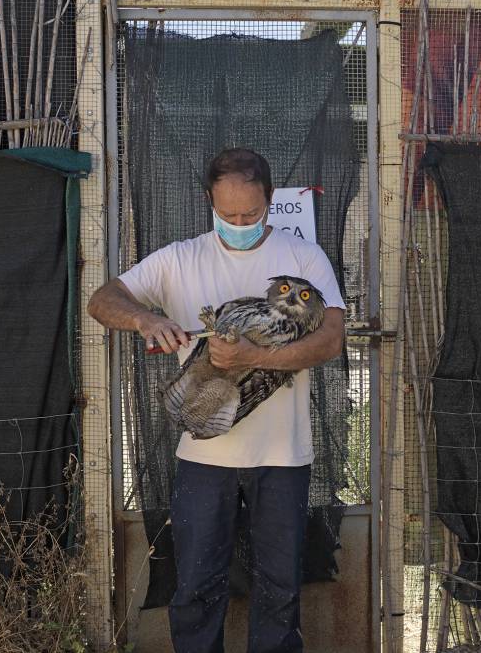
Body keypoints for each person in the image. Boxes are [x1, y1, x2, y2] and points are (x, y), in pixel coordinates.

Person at [87, 148, 345, 653]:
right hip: (204, 457)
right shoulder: (180, 259)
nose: (239, 223)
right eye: (228, 214)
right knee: (197, 590)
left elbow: (332, 339)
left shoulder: (304, 258)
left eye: (250, 214)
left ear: (270, 200)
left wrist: (253, 357)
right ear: (210, 201)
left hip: (283, 457)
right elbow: (103, 299)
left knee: (279, 589)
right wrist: (145, 319)